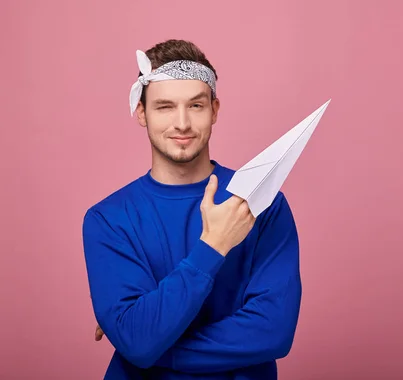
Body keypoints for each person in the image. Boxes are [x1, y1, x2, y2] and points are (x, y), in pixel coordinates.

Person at [81, 39, 302, 379]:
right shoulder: (108, 220)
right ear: (142, 113)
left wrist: (147, 345)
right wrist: (213, 247)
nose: (181, 123)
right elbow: (137, 340)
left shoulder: (259, 202)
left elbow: (273, 331)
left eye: (196, 106)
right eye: (165, 106)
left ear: (214, 110)